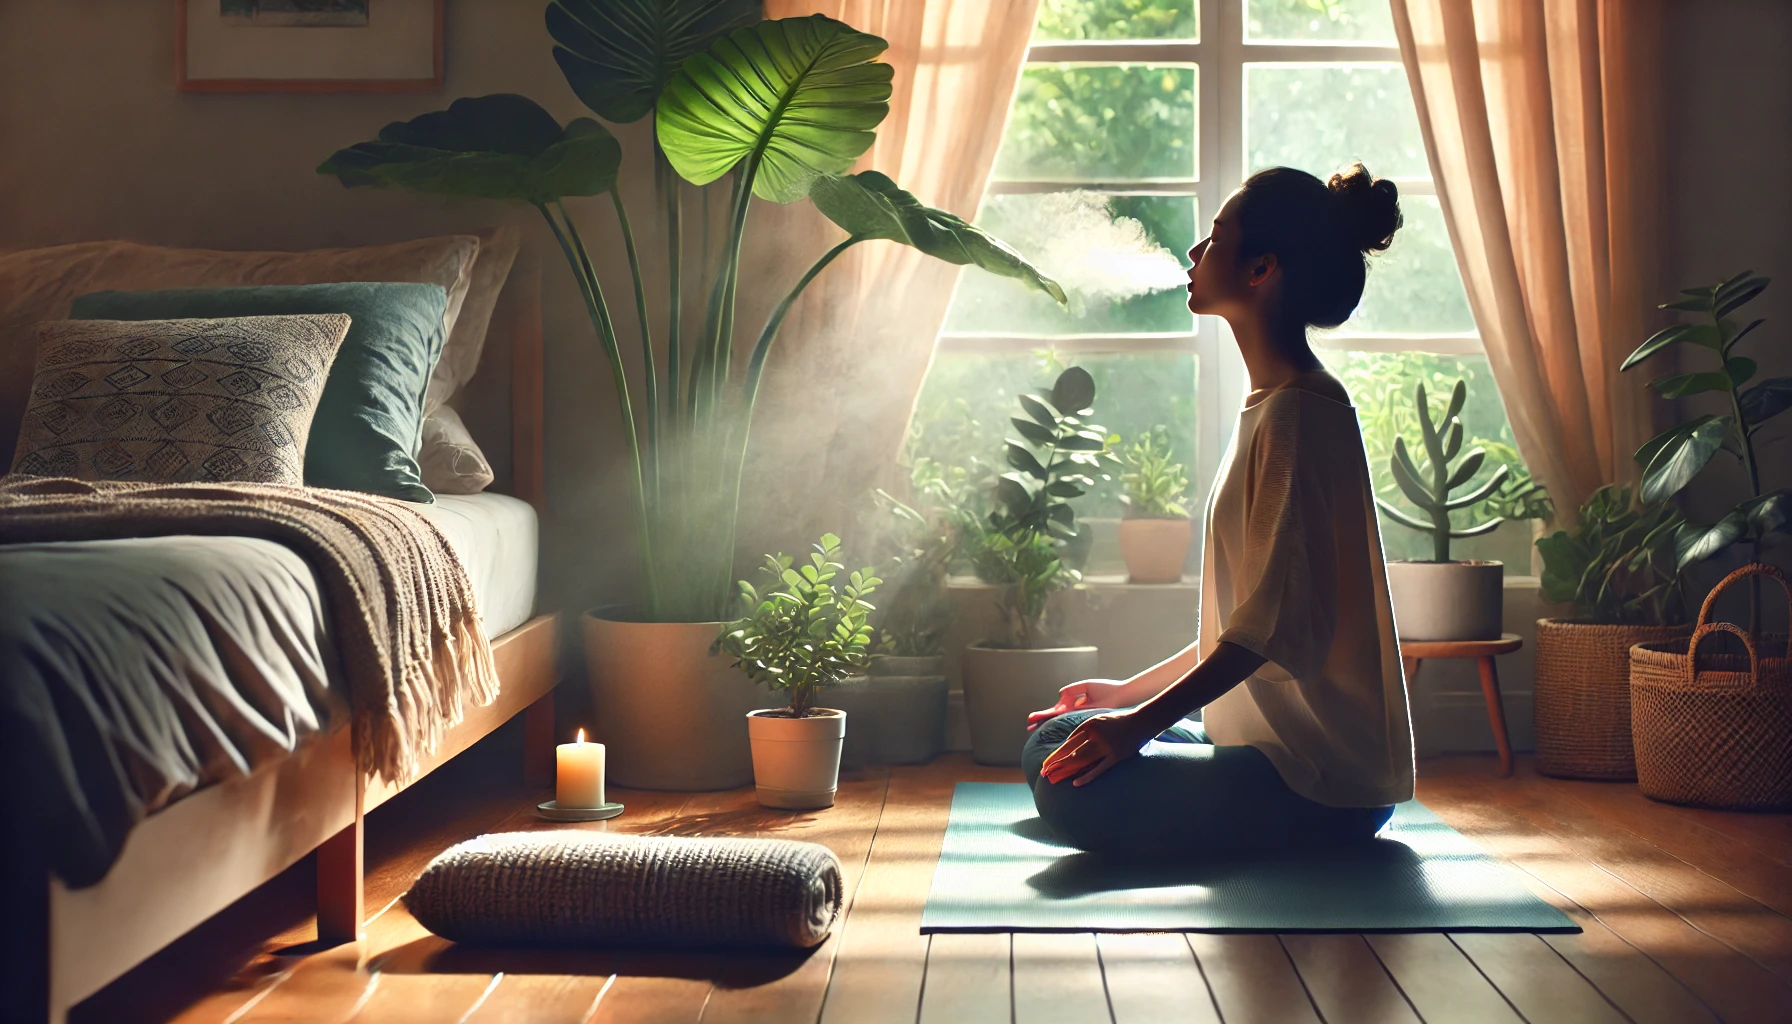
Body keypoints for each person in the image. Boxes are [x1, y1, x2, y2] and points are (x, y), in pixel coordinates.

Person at [1022, 163, 1415, 859]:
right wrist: (1125, 695)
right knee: (1059, 742)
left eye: (1214, 237)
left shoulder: (1298, 414)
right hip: (1272, 758)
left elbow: (1268, 632)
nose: (1195, 255)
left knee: (1057, 767)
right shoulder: (1275, 406)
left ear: (1262, 268)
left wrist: (1136, 724)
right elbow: (1249, 623)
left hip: (1319, 786)